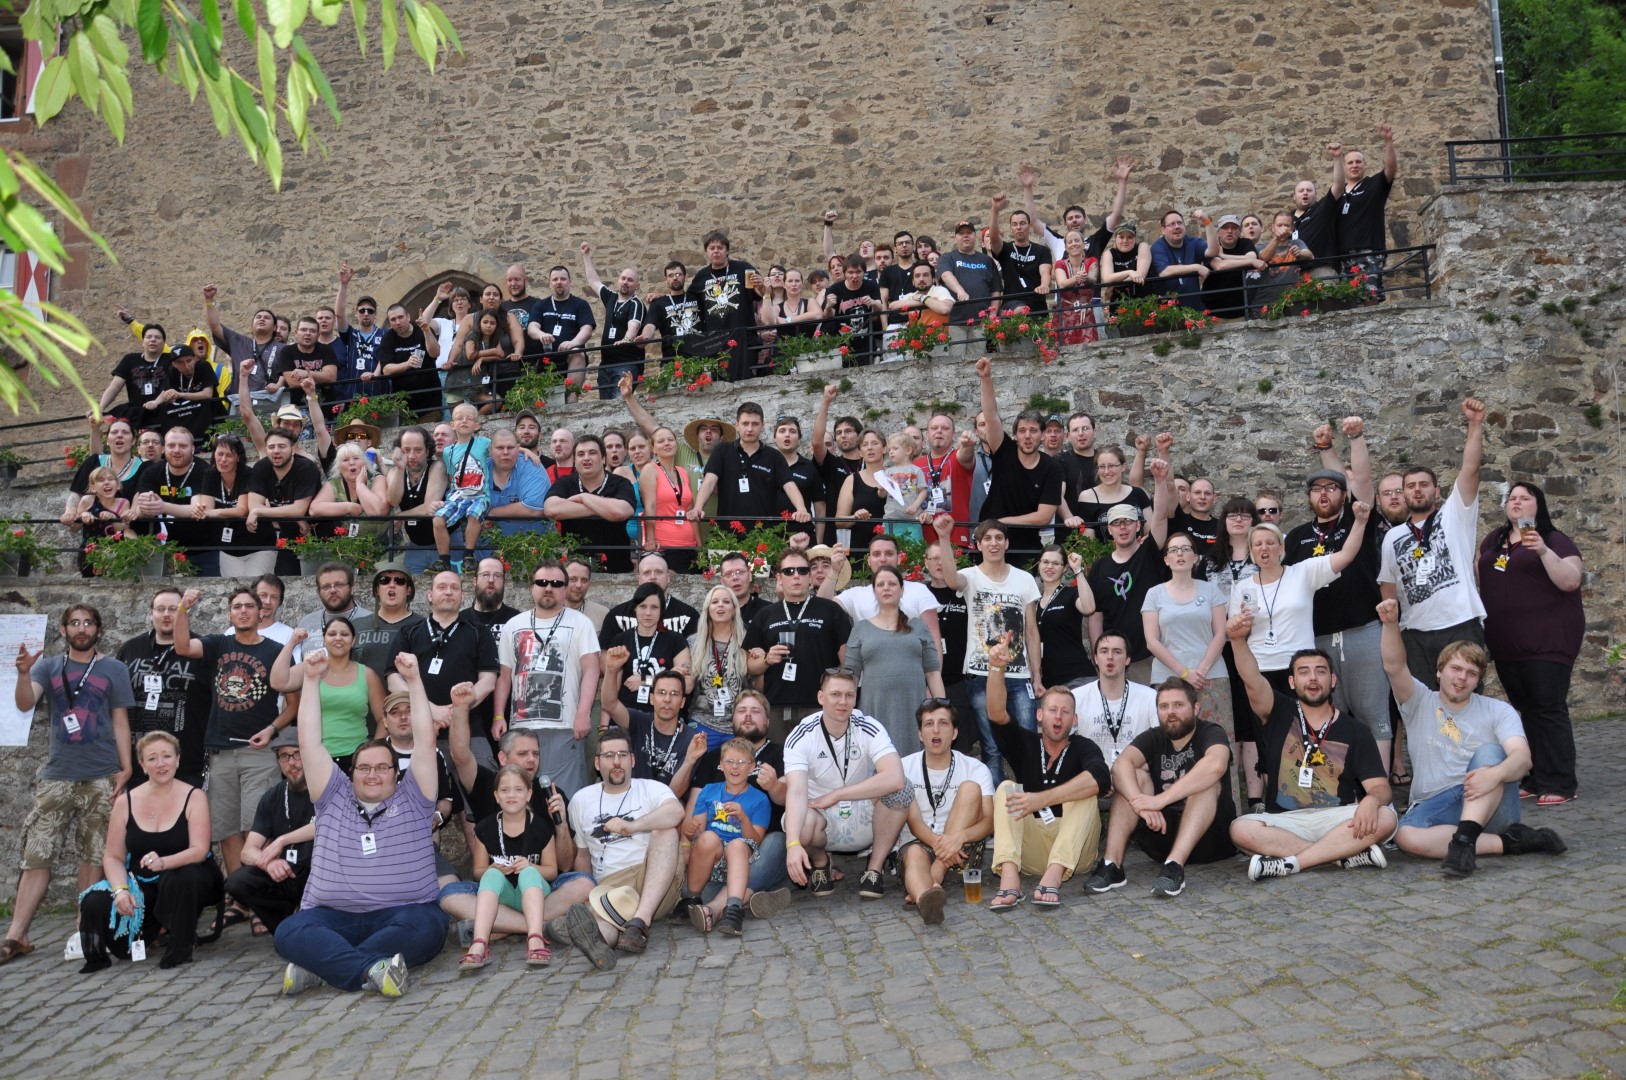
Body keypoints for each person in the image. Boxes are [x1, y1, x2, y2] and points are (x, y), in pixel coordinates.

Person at [276, 652, 447, 997]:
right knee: (289, 932)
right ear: (351, 773)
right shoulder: (331, 795)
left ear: (396, 774)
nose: (372, 775)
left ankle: (323, 966)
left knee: (430, 927)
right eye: (364, 768)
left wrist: (415, 680)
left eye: (382, 768)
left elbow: (425, 741)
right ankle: (370, 969)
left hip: (403, 914)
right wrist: (311, 679)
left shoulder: (415, 797)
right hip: (333, 916)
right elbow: (309, 741)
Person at [1378, 601, 1567, 877]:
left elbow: (1522, 758)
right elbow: (1394, 666)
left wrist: (1494, 775)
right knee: (1406, 837)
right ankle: (1510, 842)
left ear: (1478, 680)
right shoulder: (1419, 701)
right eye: (1455, 668)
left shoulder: (1498, 710)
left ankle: (1463, 844)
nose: (1462, 678)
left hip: (1492, 804)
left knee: (1490, 753)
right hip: (1436, 803)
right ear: (1439, 671)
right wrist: (1391, 624)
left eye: (1471, 673)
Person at [2, 605, 134, 968]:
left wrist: (126, 767)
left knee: (95, 854)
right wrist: (23, 674)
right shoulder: (47, 667)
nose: (81, 628)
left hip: (102, 775)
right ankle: (16, 935)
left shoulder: (114, 669)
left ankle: (82, 929)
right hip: (57, 776)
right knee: (37, 854)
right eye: (74, 623)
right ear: (63, 630)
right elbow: (24, 703)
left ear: (98, 629)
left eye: (88, 622)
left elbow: (120, 719)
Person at [1226, 620, 1396, 880]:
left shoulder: (1356, 730)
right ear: (1292, 682)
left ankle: (1292, 862)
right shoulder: (1278, 711)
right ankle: (1341, 855)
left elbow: (1380, 787)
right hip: (1286, 820)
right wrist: (1238, 641)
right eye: (1304, 672)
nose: (1313, 678)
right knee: (1240, 830)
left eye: (1320, 671)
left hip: (1337, 819)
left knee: (1386, 817)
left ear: (1333, 680)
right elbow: (1251, 680)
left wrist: (1372, 801)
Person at [1285, 417, 1394, 772]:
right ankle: (1340, 791)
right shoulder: (1295, 537)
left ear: (1344, 495)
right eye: (1317, 489)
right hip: (1317, 638)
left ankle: (1378, 791)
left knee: (1374, 716)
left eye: (1332, 488)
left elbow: (1361, 479)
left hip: (1363, 631)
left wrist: (1353, 438)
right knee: (1330, 718)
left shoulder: (1356, 519)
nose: (1324, 493)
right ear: (1308, 498)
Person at [171, 587, 294, 883]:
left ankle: (258, 894)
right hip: (220, 752)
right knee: (226, 830)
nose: (243, 611)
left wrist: (272, 729)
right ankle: (240, 896)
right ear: (230, 614)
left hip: (259, 753)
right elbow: (182, 647)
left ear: (260, 612)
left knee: (257, 829)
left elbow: (294, 705)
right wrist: (183, 608)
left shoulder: (276, 651)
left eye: (249, 606)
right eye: (237, 606)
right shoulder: (218, 644)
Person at [1475, 481, 1584, 804]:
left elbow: (1571, 580)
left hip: (1547, 640)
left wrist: (1544, 551)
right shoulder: (1494, 539)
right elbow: (1481, 577)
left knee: (1547, 707)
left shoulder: (1553, 539)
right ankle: (1535, 776)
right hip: (1507, 642)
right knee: (1524, 710)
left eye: (1525, 498)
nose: (1517, 502)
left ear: (1539, 506)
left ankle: (1560, 782)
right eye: (1512, 498)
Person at [76, 731, 221, 971]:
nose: (161, 763)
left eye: (167, 756)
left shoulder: (194, 796)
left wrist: (164, 862)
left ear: (178, 760)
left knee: (180, 878)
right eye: (152, 758)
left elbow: (199, 850)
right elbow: (113, 857)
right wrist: (121, 890)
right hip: (142, 882)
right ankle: (102, 955)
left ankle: (179, 947)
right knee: (95, 899)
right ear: (142, 765)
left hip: (190, 875)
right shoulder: (125, 802)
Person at [982, 640, 1108, 911]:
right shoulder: (1025, 743)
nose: (1058, 717)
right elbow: (996, 713)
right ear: (1039, 715)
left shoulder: (1084, 746)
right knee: (1006, 788)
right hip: (1031, 850)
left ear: (1074, 720)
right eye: (1052, 710)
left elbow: (1101, 778)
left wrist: (1041, 800)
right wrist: (995, 668)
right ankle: (1010, 879)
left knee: (1086, 793)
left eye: (1065, 712)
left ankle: (1053, 877)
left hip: (1075, 853)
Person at [1378, 399, 1489, 702]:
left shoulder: (1455, 515)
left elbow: (1470, 468)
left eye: (1424, 484)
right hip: (1415, 632)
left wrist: (1475, 424)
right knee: (1425, 705)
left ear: (1437, 491)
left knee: (1465, 701)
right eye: (1410, 486)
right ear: (1403, 494)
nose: (1417, 490)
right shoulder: (1393, 537)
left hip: (1459, 623)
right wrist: (1393, 625)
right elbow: (1388, 588)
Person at [1085, 679, 1236, 899]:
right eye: (1164, 706)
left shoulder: (1211, 732)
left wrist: (1160, 800)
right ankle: (1111, 865)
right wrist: (1139, 803)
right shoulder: (1154, 736)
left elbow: (1216, 764)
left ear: (1195, 708)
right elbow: (1120, 766)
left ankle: (1175, 865)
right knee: (1133, 776)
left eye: (1178, 705)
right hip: (1162, 834)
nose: (1170, 712)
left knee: (1206, 782)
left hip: (1210, 839)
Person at [557, 727, 685, 967]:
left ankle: (640, 923)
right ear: (597, 763)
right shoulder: (581, 800)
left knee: (666, 830)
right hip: (610, 887)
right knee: (604, 919)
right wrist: (590, 894)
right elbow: (582, 854)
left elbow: (676, 812)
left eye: (622, 755)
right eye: (608, 756)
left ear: (632, 760)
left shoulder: (651, 788)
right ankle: (599, 945)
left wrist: (632, 826)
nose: (616, 762)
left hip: (654, 881)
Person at [932, 513, 1041, 784]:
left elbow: (1031, 631)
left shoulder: (1025, 579)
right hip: (980, 674)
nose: (994, 543)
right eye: (988, 539)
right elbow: (951, 580)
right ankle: (992, 807)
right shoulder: (970, 576)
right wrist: (944, 538)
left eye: (999, 538)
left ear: (1007, 543)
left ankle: (1032, 800)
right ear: (978, 544)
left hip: (1019, 675)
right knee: (991, 748)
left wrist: (1037, 677)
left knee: (1028, 744)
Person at [782, 668, 909, 898]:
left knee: (903, 790)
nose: (843, 702)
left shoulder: (868, 726)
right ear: (821, 697)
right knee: (799, 821)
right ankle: (821, 864)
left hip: (862, 813)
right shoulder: (801, 734)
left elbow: (896, 777)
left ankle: (874, 869)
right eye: (835, 694)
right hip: (821, 816)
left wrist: (838, 794)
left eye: (849, 695)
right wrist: (792, 845)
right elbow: (797, 792)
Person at [495, 561, 603, 797]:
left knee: (565, 798)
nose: (548, 588)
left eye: (556, 583)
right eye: (542, 582)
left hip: (564, 727)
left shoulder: (580, 622)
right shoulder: (513, 625)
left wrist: (583, 713)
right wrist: (498, 716)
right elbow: (504, 676)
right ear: (531, 587)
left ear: (565, 588)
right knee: (521, 796)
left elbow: (592, 670)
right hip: (521, 728)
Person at [683, 691, 793, 917]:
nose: (748, 716)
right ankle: (752, 895)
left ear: (768, 721)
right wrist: (687, 842)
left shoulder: (781, 753)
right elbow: (694, 804)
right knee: (692, 890)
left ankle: (716, 908)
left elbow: (788, 798)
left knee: (778, 842)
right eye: (742, 711)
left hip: (761, 849)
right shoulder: (714, 757)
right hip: (716, 853)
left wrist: (773, 785)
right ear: (732, 719)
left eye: (755, 711)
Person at [895, 700, 993, 924]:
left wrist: (958, 838)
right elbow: (914, 822)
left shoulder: (975, 768)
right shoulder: (904, 767)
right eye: (929, 724)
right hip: (920, 844)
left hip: (962, 852)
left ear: (955, 732)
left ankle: (930, 879)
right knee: (913, 852)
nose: (936, 730)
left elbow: (989, 821)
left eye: (943, 723)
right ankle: (926, 898)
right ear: (920, 734)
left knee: (970, 788)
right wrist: (942, 845)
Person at [459, 764, 561, 971]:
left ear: (529, 794)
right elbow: (478, 872)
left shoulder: (542, 827)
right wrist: (494, 868)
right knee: (491, 874)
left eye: (518, 789)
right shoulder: (485, 828)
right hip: (504, 896)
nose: (511, 795)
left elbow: (552, 871)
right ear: (496, 796)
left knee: (529, 872)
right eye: (505, 790)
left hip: (534, 891)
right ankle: (479, 943)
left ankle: (535, 938)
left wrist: (531, 866)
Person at [745, 549, 853, 742]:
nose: (796, 576)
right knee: (779, 760)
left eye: (802, 570)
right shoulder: (765, 614)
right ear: (779, 577)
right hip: (777, 706)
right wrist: (767, 659)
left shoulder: (830, 609)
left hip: (821, 705)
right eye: (789, 571)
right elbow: (750, 667)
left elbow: (847, 662)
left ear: (810, 576)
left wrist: (842, 698)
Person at [844, 566, 945, 756]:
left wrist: (942, 711)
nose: (886, 588)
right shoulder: (861, 629)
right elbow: (851, 676)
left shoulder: (919, 626)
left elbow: (932, 672)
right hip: (874, 710)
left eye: (892, 584)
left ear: (902, 589)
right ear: (874, 591)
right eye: (880, 584)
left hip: (913, 709)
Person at [117, 588, 211, 788]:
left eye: (174, 609)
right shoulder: (130, 650)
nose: (167, 614)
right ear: (151, 613)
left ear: (185, 612)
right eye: (160, 609)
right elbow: (117, 706)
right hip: (138, 763)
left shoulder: (200, 650)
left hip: (186, 764)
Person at [972, 356, 1063, 563]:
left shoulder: (1052, 468)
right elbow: (990, 415)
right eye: (1022, 431)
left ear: (1042, 435)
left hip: (1025, 548)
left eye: (1033, 430)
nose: (1027, 436)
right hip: (990, 541)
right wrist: (986, 378)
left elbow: (1043, 516)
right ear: (1015, 435)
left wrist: (1003, 522)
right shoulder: (1004, 450)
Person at [1086, 469, 1173, 684]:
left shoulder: (1149, 553)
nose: (1123, 527)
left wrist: (1160, 481)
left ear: (1138, 525)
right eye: (1117, 523)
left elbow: (1161, 516)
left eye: (1128, 521)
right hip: (1115, 659)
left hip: (1152, 655)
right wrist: (1098, 657)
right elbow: (1095, 617)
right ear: (1109, 530)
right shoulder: (1099, 567)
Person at [1142, 533, 1231, 742]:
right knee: (1172, 741)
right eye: (1173, 550)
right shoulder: (1154, 594)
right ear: (1166, 559)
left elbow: (1220, 633)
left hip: (1211, 676)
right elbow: (1152, 641)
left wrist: (1202, 670)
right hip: (1168, 678)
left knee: (1216, 739)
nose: (1180, 554)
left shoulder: (1211, 591)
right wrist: (1183, 672)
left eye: (1186, 549)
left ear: (1195, 557)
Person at [223, 730, 313, 935]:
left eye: (297, 754)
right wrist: (268, 863)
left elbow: (325, 824)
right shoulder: (273, 796)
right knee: (237, 881)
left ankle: (309, 919)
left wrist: (282, 840)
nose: (292, 763)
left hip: (318, 873)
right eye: (284, 756)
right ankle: (282, 923)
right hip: (286, 873)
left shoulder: (326, 787)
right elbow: (247, 852)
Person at [682, 737, 772, 937]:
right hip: (710, 864)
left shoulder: (760, 799)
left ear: (752, 767)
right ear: (721, 765)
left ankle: (733, 909)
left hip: (740, 861)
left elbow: (755, 842)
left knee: (737, 845)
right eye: (730, 761)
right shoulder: (708, 791)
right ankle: (692, 898)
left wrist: (743, 818)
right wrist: (689, 831)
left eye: (741, 762)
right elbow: (698, 833)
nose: (735, 767)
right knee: (708, 837)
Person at [271, 621, 384, 774]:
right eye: (332, 634)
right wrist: (292, 643)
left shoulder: (367, 675)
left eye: (344, 634)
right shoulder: (310, 668)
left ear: (353, 640)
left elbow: (383, 719)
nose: (338, 638)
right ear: (324, 639)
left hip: (356, 759)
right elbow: (278, 682)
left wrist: (372, 752)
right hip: (314, 757)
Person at [601, 665, 706, 795]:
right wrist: (611, 669)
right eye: (661, 693)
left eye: (674, 694)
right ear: (651, 698)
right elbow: (609, 704)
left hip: (666, 803)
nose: (667, 699)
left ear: (683, 702)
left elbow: (675, 794)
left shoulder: (691, 739)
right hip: (632, 798)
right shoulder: (639, 720)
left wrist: (690, 761)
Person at [545, 434, 638, 573]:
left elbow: (620, 512)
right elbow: (551, 509)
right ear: (575, 460)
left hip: (617, 567)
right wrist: (604, 508)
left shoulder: (620, 483)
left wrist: (584, 497)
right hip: (574, 569)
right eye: (581, 454)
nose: (586, 458)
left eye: (592, 453)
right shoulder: (565, 482)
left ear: (603, 458)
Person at [1070, 632, 1161, 772]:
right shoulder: (1076, 697)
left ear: (1128, 659)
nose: (1110, 657)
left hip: (1134, 774)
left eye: (1117, 652)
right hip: (1091, 775)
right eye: (1104, 651)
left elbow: (1160, 747)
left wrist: (1126, 774)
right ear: (1095, 658)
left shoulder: (1150, 697)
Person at [601, 583, 691, 715]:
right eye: (643, 606)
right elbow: (611, 693)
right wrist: (604, 724)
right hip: (625, 715)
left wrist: (647, 680)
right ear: (635, 608)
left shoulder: (676, 640)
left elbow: (687, 686)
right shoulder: (621, 640)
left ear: (661, 610)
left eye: (654, 607)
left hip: (664, 715)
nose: (648, 613)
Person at [243, 428, 323, 576]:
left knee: (317, 581)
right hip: (288, 536)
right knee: (284, 578)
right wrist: (297, 518)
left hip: (318, 535)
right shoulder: (261, 467)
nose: (276, 451)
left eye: (282, 446)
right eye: (271, 447)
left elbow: (298, 509)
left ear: (293, 449)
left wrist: (259, 511)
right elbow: (253, 505)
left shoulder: (306, 467)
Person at [685, 230, 761, 382]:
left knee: (747, 383)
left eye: (720, 247)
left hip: (744, 337)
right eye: (712, 248)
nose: (716, 251)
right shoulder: (701, 277)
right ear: (707, 252)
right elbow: (686, 300)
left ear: (727, 251)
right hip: (716, 341)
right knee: (720, 382)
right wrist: (662, 296)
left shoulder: (743, 268)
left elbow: (760, 294)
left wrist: (762, 285)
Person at [686, 585, 752, 750]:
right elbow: (687, 685)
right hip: (702, 722)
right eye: (715, 602)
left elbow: (757, 685)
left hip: (738, 725)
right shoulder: (693, 642)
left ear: (734, 610)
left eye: (726, 602)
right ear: (708, 610)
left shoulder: (748, 640)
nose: (720, 605)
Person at [429, 402, 492, 573]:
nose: (464, 421)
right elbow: (452, 475)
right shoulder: (448, 451)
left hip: (479, 495)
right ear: (453, 424)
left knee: (473, 514)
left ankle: (469, 555)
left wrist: (526, 451)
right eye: (459, 418)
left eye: (469, 419)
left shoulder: (483, 442)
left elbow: (504, 448)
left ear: (476, 425)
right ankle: (443, 559)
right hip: (457, 495)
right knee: (438, 520)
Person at [1333, 124, 1398, 287]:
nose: (1354, 165)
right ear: (1344, 167)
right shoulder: (1338, 193)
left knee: (1370, 295)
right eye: (1350, 163)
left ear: (1364, 165)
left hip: (1369, 251)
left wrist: (1388, 141)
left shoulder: (1374, 184)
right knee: (1346, 298)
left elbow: (1390, 169)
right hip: (1342, 255)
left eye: (1358, 162)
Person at [579, 242, 647, 397]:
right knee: (606, 407)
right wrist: (586, 255)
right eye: (623, 278)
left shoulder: (636, 304)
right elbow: (593, 282)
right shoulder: (611, 297)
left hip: (626, 365)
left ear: (637, 285)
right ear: (618, 280)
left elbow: (634, 326)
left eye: (630, 280)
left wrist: (627, 339)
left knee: (620, 404)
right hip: (606, 365)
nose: (625, 282)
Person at [637, 424, 702, 572]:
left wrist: (700, 546)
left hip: (689, 546)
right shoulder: (650, 469)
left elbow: (690, 510)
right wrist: (650, 540)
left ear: (676, 444)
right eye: (661, 441)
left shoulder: (682, 472)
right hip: (665, 545)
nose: (667, 443)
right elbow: (649, 506)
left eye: (670, 440)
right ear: (653, 449)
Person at [936, 218, 1002, 359]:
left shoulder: (986, 260)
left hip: (980, 321)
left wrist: (993, 314)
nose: (965, 236)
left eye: (969, 233)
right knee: (956, 361)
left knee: (978, 361)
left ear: (975, 236)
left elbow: (996, 289)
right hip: (955, 321)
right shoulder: (947, 258)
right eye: (961, 233)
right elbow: (946, 275)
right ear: (955, 238)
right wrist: (960, 291)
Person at [386, 425, 447, 575]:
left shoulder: (437, 467)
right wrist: (400, 469)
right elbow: (393, 500)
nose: (411, 456)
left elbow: (429, 508)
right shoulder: (395, 472)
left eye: (418, 450)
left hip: (446, 544)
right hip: (416, 544)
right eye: (406, 450)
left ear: (428, 451)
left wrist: (400, 516)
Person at [1034, 546, 1097, 689]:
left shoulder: (1070, 594)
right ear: (1039, 565)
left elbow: (1089, 608)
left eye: (1056, 563)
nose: (1050, 567)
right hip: (1048, 683)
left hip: (1077, 678)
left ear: (1064, 568)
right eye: (1045, 562)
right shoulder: (1034, 603)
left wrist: (1078, 571)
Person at [601, 553, 701, 642]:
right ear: (639, 579)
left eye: (658, 572)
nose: (653, 577)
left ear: (668, 578)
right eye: (647, 572)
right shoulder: (617, 615)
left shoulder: (688, 615)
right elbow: (605, 652)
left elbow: (697, 653)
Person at [986, 193, 1053, 314]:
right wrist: (995, 210)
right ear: (1011, 228)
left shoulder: (1042, 251)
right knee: (1021, 310)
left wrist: (1044, 285)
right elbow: (994, 238)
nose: (1018, 227)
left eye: (1022, 223)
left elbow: (1045, 272)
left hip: (1037, 305)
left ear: (1030, 226)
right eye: (1014, 224)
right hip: (1012, 303)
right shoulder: (1005, 249)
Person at [1149, 210, 1211, 306]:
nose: (1177, 226)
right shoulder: (1158, 247)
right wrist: (1196, 267)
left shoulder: (1194, 242)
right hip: (1169, 311)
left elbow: (1213, 251)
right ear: (1163, 230)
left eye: (1179, 223)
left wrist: (1207, 222)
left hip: (1195, 308)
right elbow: (1164, 271)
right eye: (1172, 224)